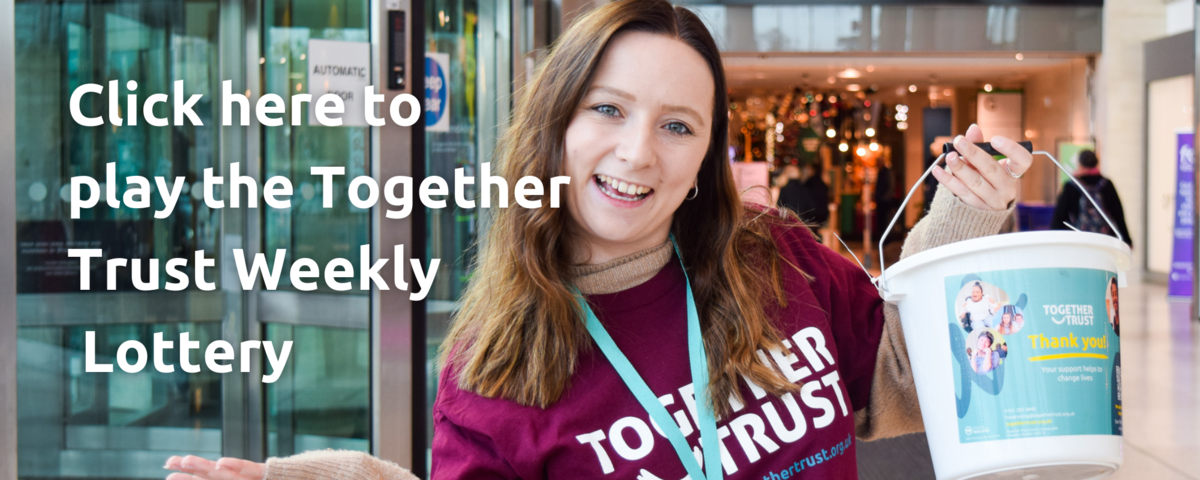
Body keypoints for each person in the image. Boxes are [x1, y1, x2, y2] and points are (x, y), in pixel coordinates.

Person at [163, 1, 1031, 478]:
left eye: (679, 126)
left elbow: (908, 373)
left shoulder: (776, 257)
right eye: (608, 110)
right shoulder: (493, 368)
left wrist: (960, 223)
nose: (636, 153)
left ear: (706, 159)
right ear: (554, 125)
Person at [1051, 150, 1132, 248]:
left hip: (1079, 240)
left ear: (1079, 164)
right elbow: (1118, 213)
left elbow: (1060, 215)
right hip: (1104, 240)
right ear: (1097, 163)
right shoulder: (1107, 184)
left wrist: (1054, 238)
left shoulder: (1071, 186)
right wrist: (1127, 239)